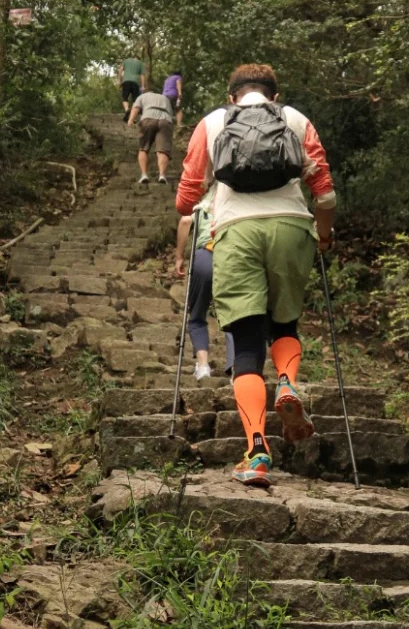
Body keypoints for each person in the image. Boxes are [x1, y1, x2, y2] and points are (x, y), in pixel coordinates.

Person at [175, 63, 335, 487]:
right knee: (285, 323)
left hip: (235, 232)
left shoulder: (211, 123)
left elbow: (186, 197)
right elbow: (326, 191)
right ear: (274, 96)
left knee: (245, 342)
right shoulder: (297, 120)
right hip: (290, 226)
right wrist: (322, 235)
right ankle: (286, 382)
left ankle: (258, 451)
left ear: (232, 98)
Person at [175, 191, 236, 382]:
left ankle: (203, 366)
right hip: (231, 258)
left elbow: (185, 222)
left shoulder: (202, 205)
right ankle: (237, 367)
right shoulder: (237, 202)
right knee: (234, 316)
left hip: (204, 258)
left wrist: (179, 256)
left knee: (197, 315)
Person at [128, 88, 174, 184]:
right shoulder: (165, 98)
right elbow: (170, 114)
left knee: (143, 148)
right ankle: (162, 176)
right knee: (163, 150)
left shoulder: (142, 96)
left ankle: (144, 175)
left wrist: (131, 119)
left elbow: (136, 107)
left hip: (148, 119)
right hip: (165, 121)